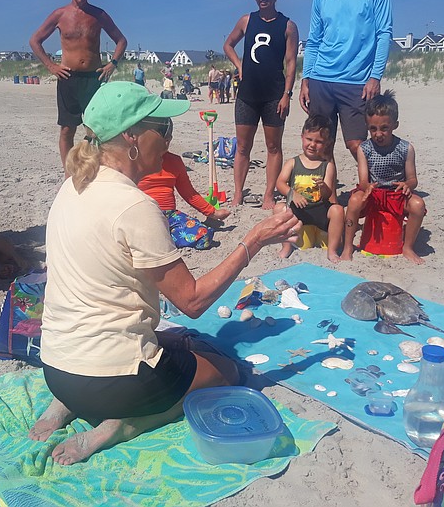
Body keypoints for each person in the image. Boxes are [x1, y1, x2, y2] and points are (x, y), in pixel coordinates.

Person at [28, 81, 301, 464]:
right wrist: (253, 240)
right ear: (132, 137)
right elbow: (192, 301)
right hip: (110, 383)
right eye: (164, 129)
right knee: (226, 371)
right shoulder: (133, 205)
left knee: (173, 341)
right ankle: (123, 425)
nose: (169, 141)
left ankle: (65, 406)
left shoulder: (72, 187)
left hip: (57, 370)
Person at [299, 0, 393, 165]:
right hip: (321, 78)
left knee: (357, 144)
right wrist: (305, 79)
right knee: (320, 144)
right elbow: (314, 41)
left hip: (356, 81)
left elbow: (384, 34)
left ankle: (375, 192)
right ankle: (326, 197)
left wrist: (375, 76)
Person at [30, 0, 127, 173]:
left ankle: (97, 167)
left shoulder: (99, 15)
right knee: (67, 129)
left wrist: (113, 64)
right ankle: (68, 173)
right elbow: (35, 40)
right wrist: (51, 66)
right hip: (69, 78)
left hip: (94, 78)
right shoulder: (60, 15)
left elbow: (121, 40)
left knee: (97, 128)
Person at [224, 0, 299, 209]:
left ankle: (269, 194)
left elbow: (291, 63)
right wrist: (240, 66)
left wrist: (287, 94)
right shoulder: (247, 20)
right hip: (247, 95)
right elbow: (228, 45)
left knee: (273, 147)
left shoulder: (288, 26)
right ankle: (238, 194)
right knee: (243, 147)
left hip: (274, 96)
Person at [342, 90, 427, 265]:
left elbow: (413, 179)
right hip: (373, 194)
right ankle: (348, 246)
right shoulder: (364, 149)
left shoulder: (405, 148)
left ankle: (408, 247)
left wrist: (407, 185)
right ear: (367, 126)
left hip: (397, 195)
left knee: (418, 205)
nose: (378, 134)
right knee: (354, 201)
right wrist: (368, 189)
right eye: (373, 129)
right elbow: (363, 180)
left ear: (395, 125)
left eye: (384, 128)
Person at [138, 135, 231, 249]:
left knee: (204, 235)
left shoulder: (174, 161)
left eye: (167, 139)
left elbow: (190, 194)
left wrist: (212, 213)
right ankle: (161, 238)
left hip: (169, 216)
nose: (165, 143)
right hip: (142, 214)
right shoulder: (135, 160)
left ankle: (164, 238)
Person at [274, 115, 344, 263]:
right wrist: (292, 194)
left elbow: (327, 194)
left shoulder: (327, 166)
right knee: (279, 208)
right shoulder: (293, 162)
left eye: (318, 142)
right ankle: (286, 246)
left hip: (319, 210)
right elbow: (280, 183)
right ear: (302, 137)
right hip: (299, 212)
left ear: (327, 144)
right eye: (309, 139)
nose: (312, 144)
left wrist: (323, 187)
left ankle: (331, 251)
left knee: (337, 210)